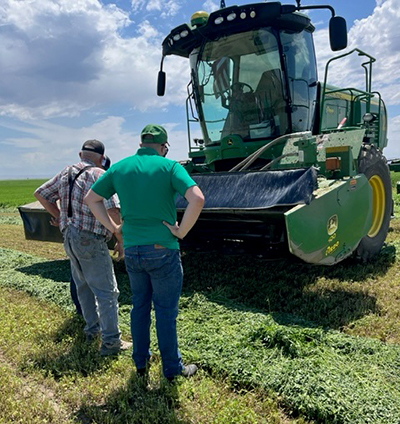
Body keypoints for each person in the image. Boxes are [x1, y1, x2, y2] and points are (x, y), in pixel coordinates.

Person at [85, 124, 205, 381]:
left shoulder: (120, 168)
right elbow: (198, 198)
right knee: (165, 312)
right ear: (163, 147)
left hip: (133, 252)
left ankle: (141, 363)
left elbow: (91, 199)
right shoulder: (170, 167)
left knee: (139, 307)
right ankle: (172, 369)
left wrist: (115, 228)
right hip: (163, 250)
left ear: (141, 144)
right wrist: (181, 231)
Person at [34, 140, 132, 356]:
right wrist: (119, 236)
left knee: (84, 288)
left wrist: (59, 216)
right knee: (107, 292)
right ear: (102, 157)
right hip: (90, 240)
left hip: (69, 238)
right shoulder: (99, 175)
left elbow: (40, 194)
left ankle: (92, 331)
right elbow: (114, 209)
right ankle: (111, 343)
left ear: (81, 154)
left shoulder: (65, 172)